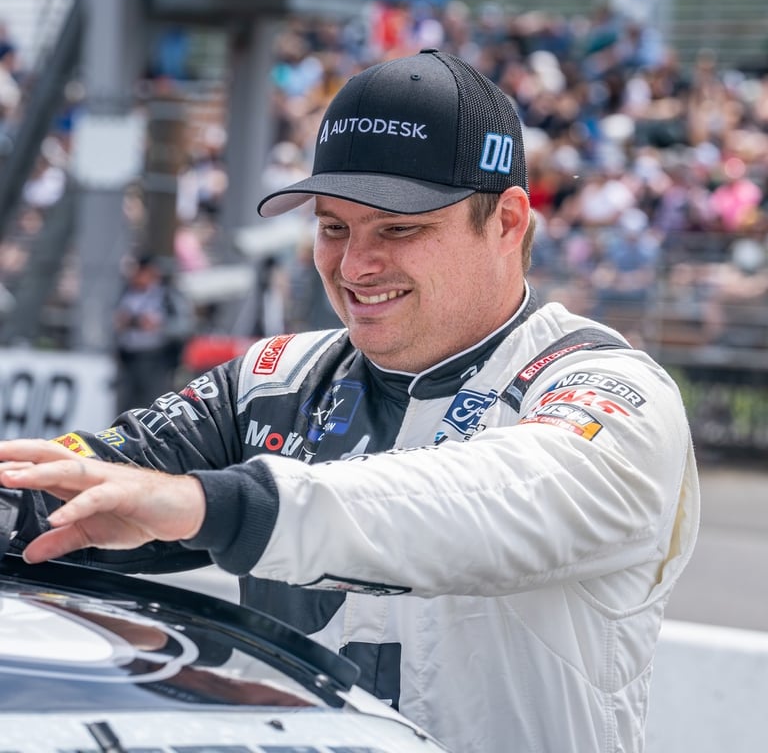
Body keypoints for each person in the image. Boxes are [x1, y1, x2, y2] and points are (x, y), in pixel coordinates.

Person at [0, 49, 699, 753]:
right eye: (334, 226)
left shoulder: (609, 389)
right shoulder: (273, 379)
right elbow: (73, 490)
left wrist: (217, 505)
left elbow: (488, 499)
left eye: (399, 228)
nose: (356, 265)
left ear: (508, 222)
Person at [113, 253, 195, 411]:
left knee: (153, 404)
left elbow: (186, 325)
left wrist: (160, 325)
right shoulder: (126, 292)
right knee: (126, 405)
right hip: (128, 360)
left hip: (156, 360)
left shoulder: (167, 295)